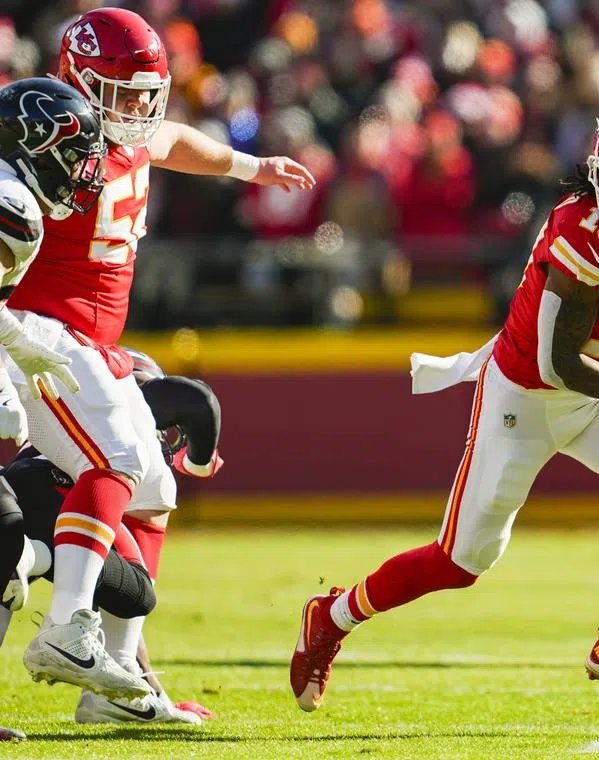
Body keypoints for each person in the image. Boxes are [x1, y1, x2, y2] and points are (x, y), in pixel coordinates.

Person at [291, 95, 599, 712]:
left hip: (595, 391)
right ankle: (332, 616)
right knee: (461, 562)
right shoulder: (583, 234)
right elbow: (560, 364)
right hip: (526, 399)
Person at [9, 7, 312, 698]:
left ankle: (115, 681)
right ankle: (65, 628)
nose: (139, 107)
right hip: (38, 336)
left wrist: (249, 165)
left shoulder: (130, 135)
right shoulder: (55, 142)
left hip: (86, 340)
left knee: (154, 490)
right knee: (117, 459)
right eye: (123, 93)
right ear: (77, 82)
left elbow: (172, 139)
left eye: (147, 91)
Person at [2, 348, 222, 725]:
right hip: (55, 497)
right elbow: (196, 399)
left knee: (6, 590)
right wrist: (198, 462)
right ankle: (33, 554)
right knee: (137, 589)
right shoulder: (128, 406)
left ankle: (23, 554)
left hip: (11, 488)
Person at [0, 73, 107, 747]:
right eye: (72, 153)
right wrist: (19, 345)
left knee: (5, 537)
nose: (81, 173)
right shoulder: (11, 205)